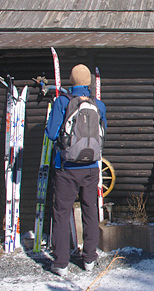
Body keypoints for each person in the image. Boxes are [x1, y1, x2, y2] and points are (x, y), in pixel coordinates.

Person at [46, 64, 107, 276]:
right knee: (90, 211)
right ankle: (89, 259)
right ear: (89, 82)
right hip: (92, 168)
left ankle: (61, 263)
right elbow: (102, 133)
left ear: (71, 81)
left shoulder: (62, 102)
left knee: (62, 213)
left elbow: (52, 134)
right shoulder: (98, 105)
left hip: (66, 167)